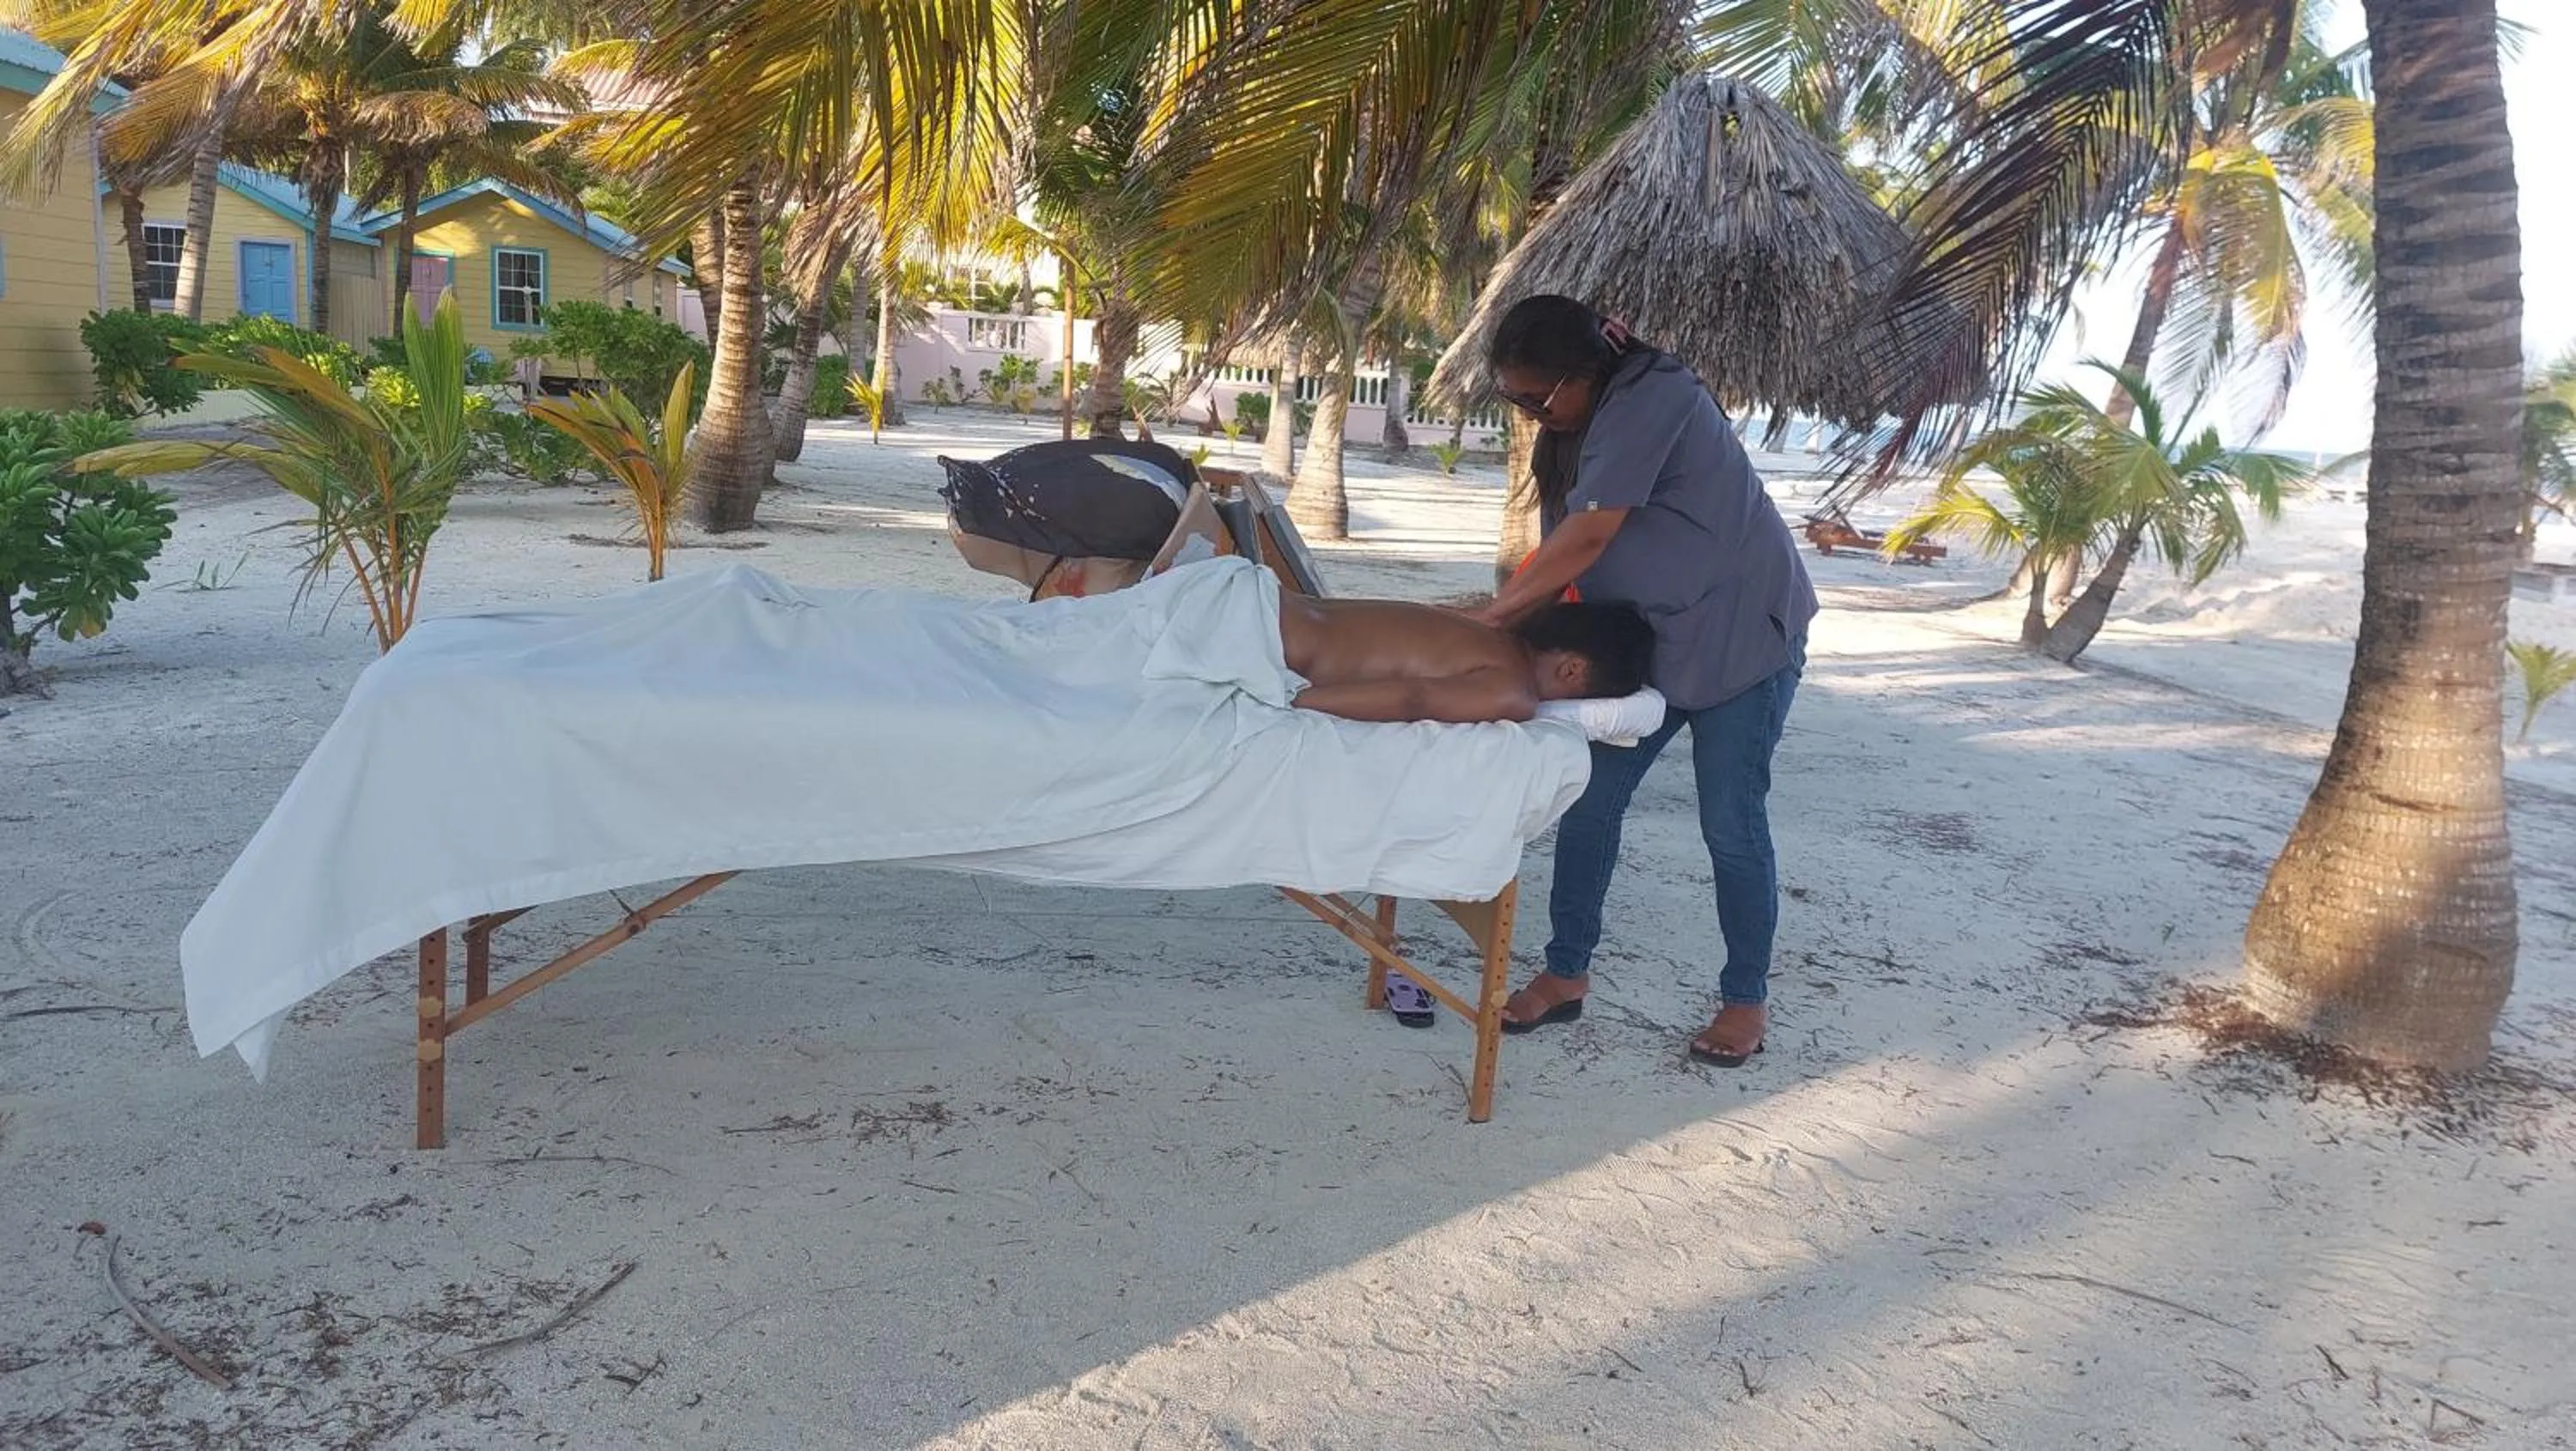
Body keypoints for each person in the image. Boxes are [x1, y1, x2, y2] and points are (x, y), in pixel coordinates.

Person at [1469, 294, 1817, 1068]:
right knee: (1589, 802)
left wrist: (1490, 620)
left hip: (1742, 640)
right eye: (1515, 401)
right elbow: (1562, 547)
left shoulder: (1656, 393)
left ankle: (1744, 997)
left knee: (1730, 822)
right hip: (1645, 647)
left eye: (1537, 399)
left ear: (1583, 373)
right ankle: (1566, 972)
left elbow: (1590, 535)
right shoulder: (1573, 424)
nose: (1529, 414)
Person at [1283, 595, 1653, 726]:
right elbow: (1412, 699)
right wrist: (1289, 702)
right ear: (1573, 669)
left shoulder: (1483, 632)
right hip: (1271, 644)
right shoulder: (1513, 692)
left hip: (1273, 599)